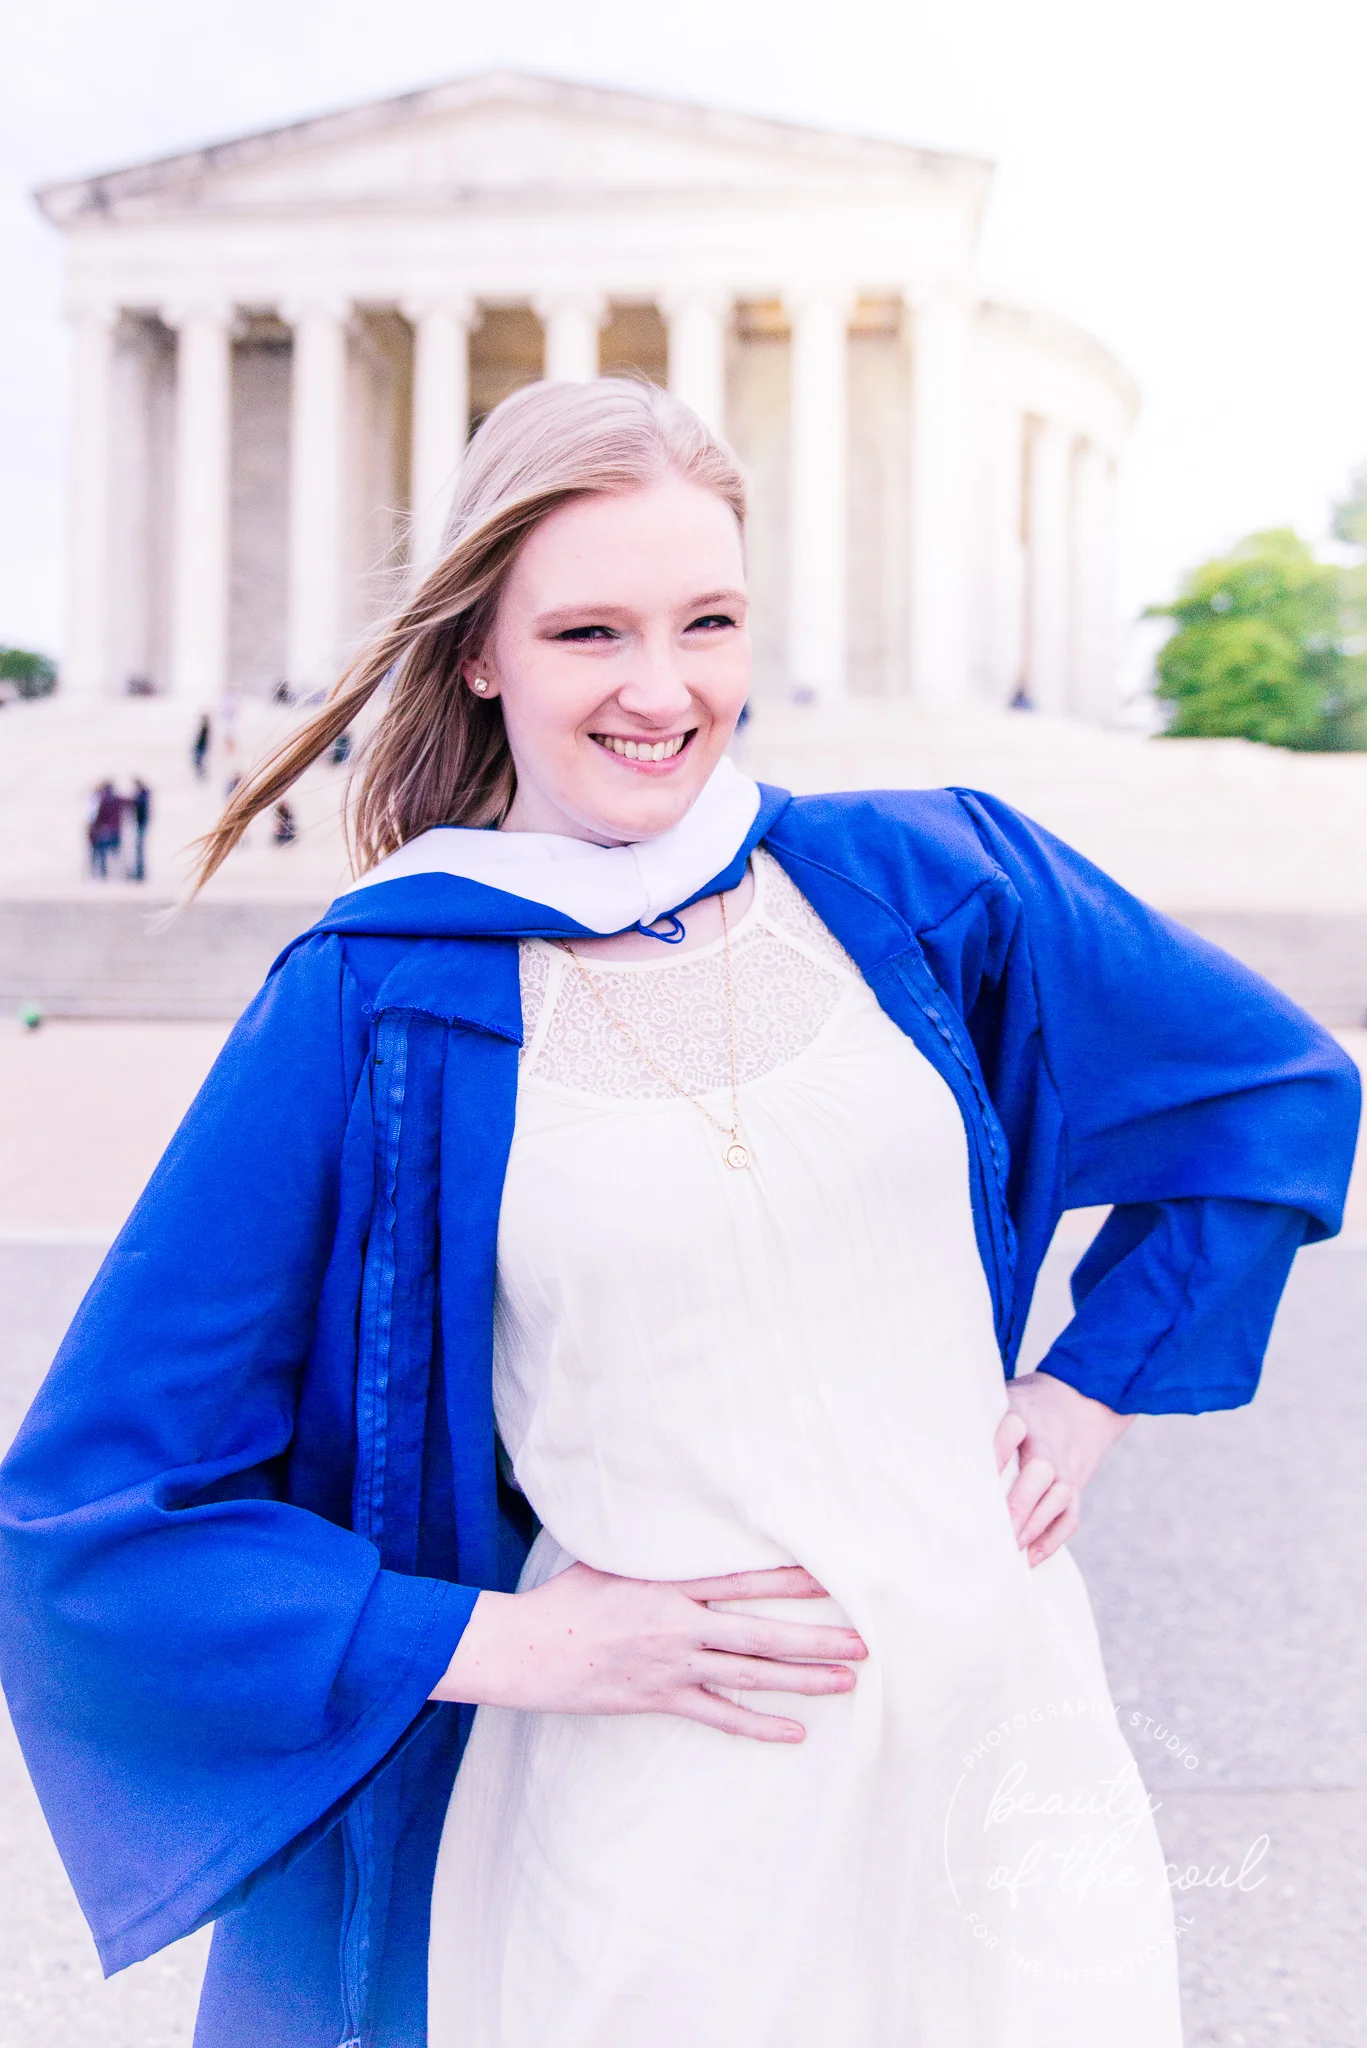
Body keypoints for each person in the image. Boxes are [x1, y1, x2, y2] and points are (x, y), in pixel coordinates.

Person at [0, 381, 1357, 2048]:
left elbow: (1270, 1090)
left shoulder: (931, 884)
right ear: (480, 651)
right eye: (587, 631)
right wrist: (516, 1643)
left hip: (1001, 1761)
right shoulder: (380, 1001)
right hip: (666, 1825)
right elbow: (96, 1500)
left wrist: (1092, 1380)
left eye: (705, 620)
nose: (663, 691)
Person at [85, 781, 122, 877]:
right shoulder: (116, 799)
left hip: (103, 829)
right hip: (113, 829)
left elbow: (93, 817)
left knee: (101, 853)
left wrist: (93, 828)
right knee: (110, 853)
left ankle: (101, 874)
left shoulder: (100, 800)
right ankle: (110, 874)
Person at [125, 780, 151, 882]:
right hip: (140, 824)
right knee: (138, 850)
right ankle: (138, 872)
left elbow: (138, 803)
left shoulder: (143, 794)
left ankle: (140, 873)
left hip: (141, 824)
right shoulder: (143, 794)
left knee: (139, 850)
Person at [191, 713, 211, 780]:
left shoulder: (204, 728)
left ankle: (201, 775)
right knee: (199, 762)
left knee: (198, 762)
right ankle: (201, 775)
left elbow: (201, 739)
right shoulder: (205, 728)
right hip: (201, 748)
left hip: (200, 748)